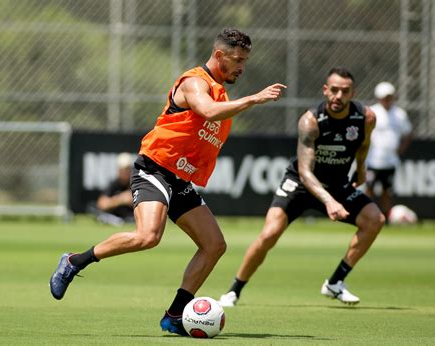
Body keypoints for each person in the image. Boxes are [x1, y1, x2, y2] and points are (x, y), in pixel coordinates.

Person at [49, 28, 286, 336]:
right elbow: (208, 112)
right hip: (155, 169)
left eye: (245, 61)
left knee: (214, 245)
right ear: (219, 55)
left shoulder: (221, 91)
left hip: (179, 179)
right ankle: (73, 261)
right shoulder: (194, 83)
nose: (242, 67)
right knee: (148, 235)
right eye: (238, 60)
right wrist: (253, 99)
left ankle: (174, 315)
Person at [218, 67, 385, 307]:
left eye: (345, 91)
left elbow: (364, 144)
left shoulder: (366, 118)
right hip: (300, 183)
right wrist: (329, 201)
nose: (338, 96)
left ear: (353, 93)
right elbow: (306, 172)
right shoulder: (311, 121)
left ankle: (335, 282)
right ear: (325, 90)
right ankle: (234, 290)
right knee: (269, 234)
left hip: (337, 184)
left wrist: (360, 168)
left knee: (375, 220)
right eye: (334, 90)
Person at [365, 82, 413, 217]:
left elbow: (408, 133)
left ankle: (386, 218)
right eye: (384, 97)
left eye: (389, 97)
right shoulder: (371, 112)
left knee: (387, 191)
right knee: (369, 189)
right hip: (373, 161)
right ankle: (366, 216)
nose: (387, 100)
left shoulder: (400, 114)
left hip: (390, 161)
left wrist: (401, 149)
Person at [89, 152, 135, 226]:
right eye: (122, 169)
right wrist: (121, 199)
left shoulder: (135, 183)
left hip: (132, 219)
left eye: (126, 169)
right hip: (115, 218)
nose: (124, 172)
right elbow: (101, 204)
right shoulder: (114, 183)